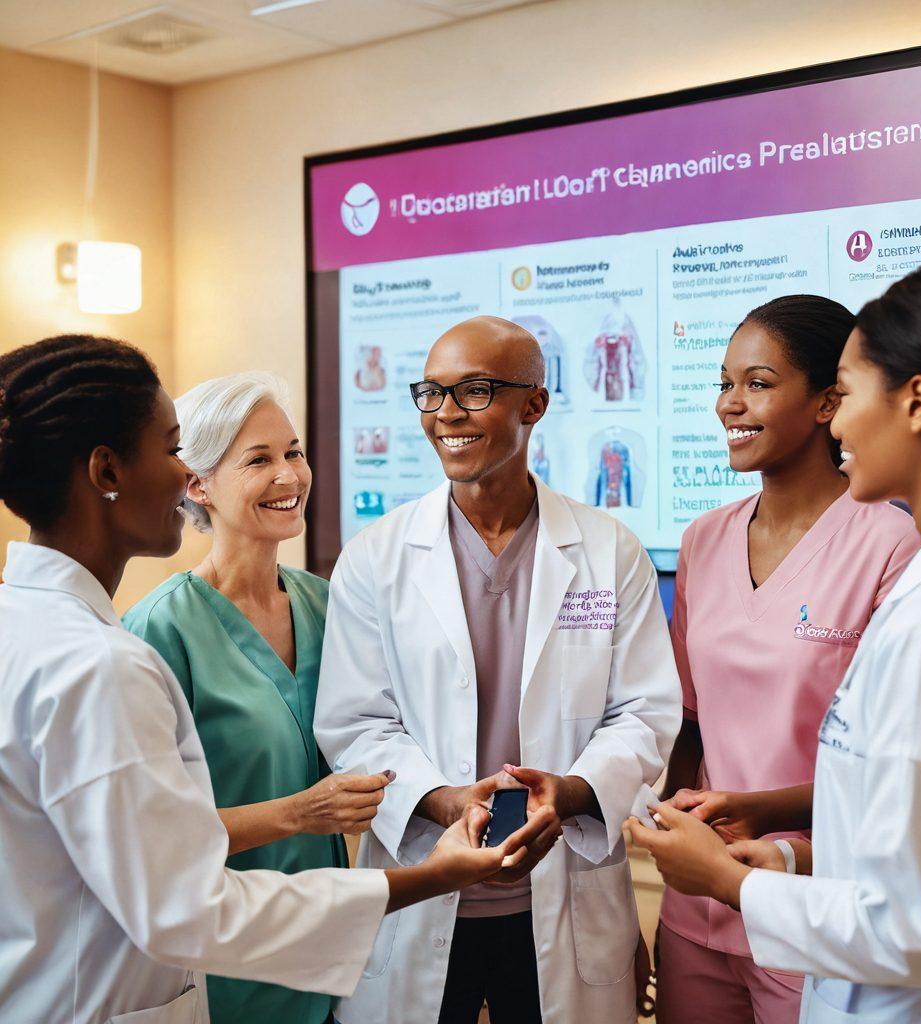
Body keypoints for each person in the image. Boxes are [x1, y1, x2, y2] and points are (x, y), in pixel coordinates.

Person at [0, 334, 554, 1024]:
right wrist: (425, 877)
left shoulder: (32, 628)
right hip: (178, 979)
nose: (182, 476)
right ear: (107, 469)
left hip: (282, 963)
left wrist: (441, 800)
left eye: (293, 452)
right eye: (172, 451)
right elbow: (183, 900)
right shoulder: (110, 660)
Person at [630, 253, 921, 1023]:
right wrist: (784, 852)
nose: (840, 421)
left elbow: (909, 925)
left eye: (848, 393)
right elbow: (907, 822)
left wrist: (736, 882)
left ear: (915, 402)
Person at [314, 316, 681, 1024]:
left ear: (534, 404)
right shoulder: (375, 557)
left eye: (474, 391)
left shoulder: (609, 550)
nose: (446, 413)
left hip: (563, 889)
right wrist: (444, 800)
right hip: (422, 881)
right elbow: (356, 723)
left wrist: (570, 793)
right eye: (431, 393)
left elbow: (644, 712)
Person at [656, 296, 920, 1023]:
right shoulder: (704, 539)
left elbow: (888, 766)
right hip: (697, 901)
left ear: (828, 401)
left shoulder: (889, 544)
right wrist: (673, 830)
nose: (730, 404)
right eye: (724, 382)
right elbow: (690, 723)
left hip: (814, 897)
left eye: (759, 383)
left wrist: (764, 821)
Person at [124, 372, 383, 1024]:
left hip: (331, 950)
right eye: (259, 460)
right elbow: (147, 837)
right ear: (197, 484)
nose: (289, 475)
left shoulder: (326, 604)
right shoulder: (159, 630)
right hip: (224, 959)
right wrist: (301, 812)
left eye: (293, 452)